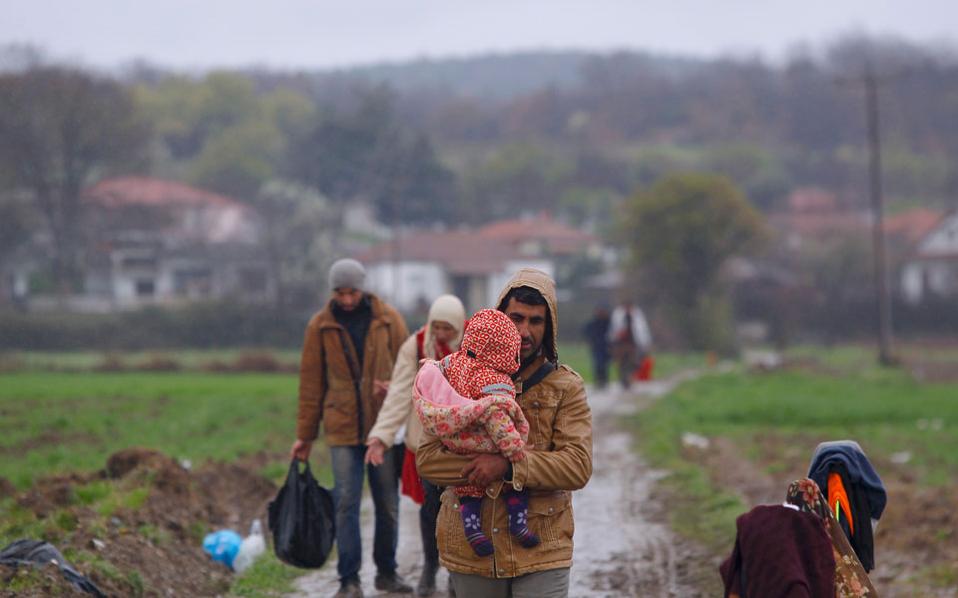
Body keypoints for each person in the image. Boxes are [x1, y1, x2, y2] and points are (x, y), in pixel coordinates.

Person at [417, 268, 593, 598]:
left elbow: (577, 466)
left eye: (535, 321)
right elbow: (427, 460)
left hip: (542, 547)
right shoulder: (454, 377)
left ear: (550, 326)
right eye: (516, 318)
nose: (524, 331)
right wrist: (477, 468)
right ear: (499, 319)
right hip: (472, 548)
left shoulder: (565, 387)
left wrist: (509, 466)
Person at [290, 258, 412, 598]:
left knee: (387, 503)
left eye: (352, 292)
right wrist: (305, 435)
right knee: (345, 503)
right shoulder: (320, 326)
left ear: (363, 288)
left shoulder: (389, 320)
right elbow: (311, 383)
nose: (346, 300)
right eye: (340, 293)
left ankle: (386, 573)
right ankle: (349, 580)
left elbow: (410, 368)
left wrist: (392, 387)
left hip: (384, 427)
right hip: (341, 428)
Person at [414, 309, 539, 559]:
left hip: (456, 440)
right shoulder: (495, 381)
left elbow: (439, 367)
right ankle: (518, 523)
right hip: (484, 440)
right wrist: (514, 451)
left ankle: (472, 528)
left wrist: (430, 365)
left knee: (468, 490)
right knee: (515, 487)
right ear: (505, 350)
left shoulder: (455, 362)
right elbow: (497, 420)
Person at [364, 294, 466, 597]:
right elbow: (398, 392)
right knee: (429, 509)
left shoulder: (473, 344)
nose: (442, 335)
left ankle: (457, 572)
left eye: (449, 328)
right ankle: (430, 566)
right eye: (438, 327)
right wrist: (381, 435)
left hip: (462, 443)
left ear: (459, 326)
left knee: (463, 510)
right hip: (426, 445)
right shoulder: (417, 345)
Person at [607, 300, 652, 390]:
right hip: (621, 344)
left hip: (633, 345)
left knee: (634, 363)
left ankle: (628, 378)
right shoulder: (618, 315)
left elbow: (642, 330)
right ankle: (624, 381)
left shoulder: (637, 316)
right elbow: (613, 330)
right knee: (622, 363)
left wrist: (645, 343)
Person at [581, 305, 611, 389]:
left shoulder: (608, 322)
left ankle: (604, 380)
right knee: (598, 363)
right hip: (596, 347)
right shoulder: (593, 323)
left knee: (604, 364)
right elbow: (586, 331)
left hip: (606, 347)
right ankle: (599, 380)